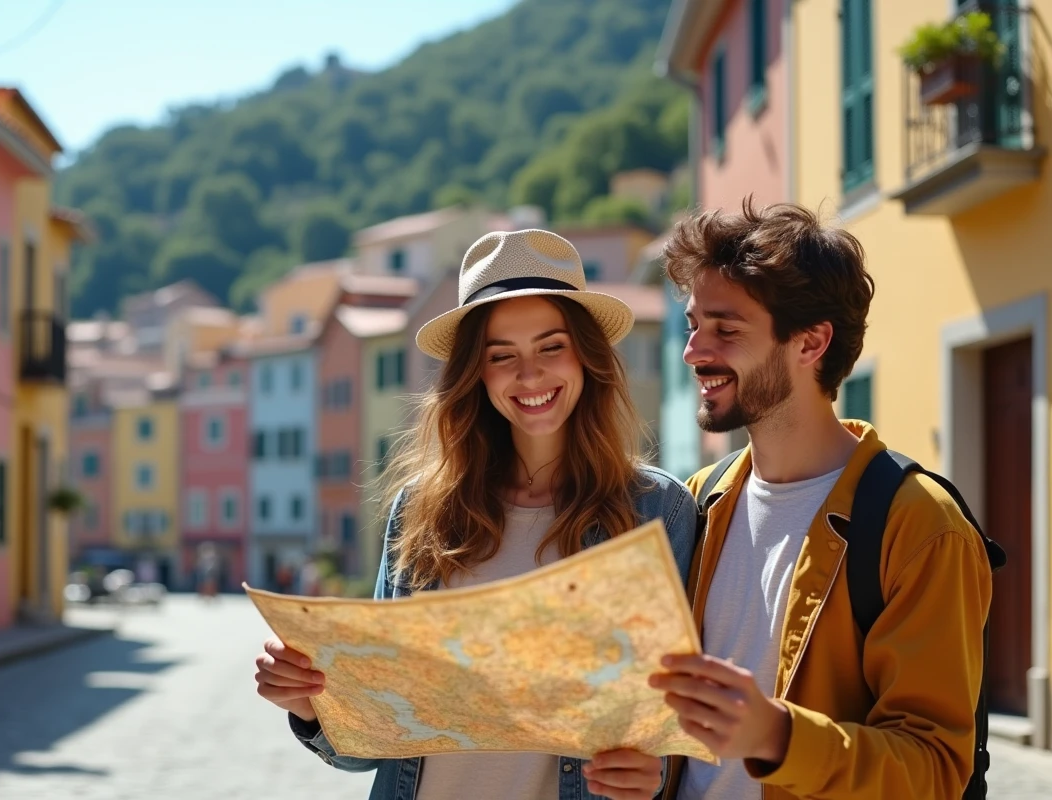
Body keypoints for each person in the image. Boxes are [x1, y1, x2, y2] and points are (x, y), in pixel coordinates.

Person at [254, 228, 701, 800]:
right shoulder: (419, 510)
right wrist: (309, 705)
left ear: (587, 356)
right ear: (477, 374)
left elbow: (669, 725)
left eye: (551, 346)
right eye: (501, 356)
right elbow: (372, 745)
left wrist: (655, 773)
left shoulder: (655, 510)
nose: (530, 375)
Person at [651, 198, 993, 799]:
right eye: (692, 325)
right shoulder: (700, 501)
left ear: (811, 344)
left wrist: (781, 738)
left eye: (725, 330)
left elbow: (936, 769)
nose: (694, 352)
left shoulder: (918, 526)